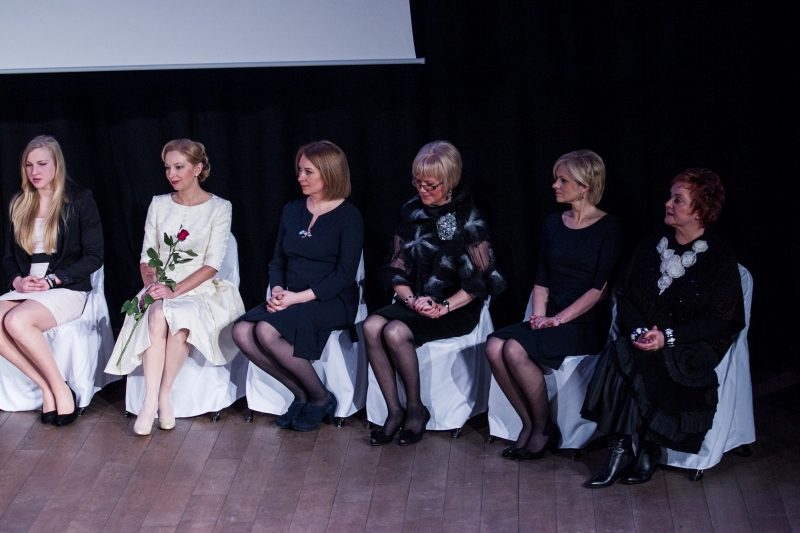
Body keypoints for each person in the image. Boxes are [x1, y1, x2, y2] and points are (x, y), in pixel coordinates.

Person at [580, 168, 745, 488]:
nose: (668, 203)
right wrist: (640, 332)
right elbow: (626, 296)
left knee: (657, 361)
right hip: (646, 334)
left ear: (700, 212)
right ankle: (619, 450)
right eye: (671, 197)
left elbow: (719, 318)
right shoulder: (650, 245)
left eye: (678, 200)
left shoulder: (720, 257)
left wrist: (667, 337)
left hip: (693, 342)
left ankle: (649, 448)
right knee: (621, 352)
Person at [364, 140, 505, 446]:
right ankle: (394, 411)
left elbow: (480, 281)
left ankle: (416, 410)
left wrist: (443, 306)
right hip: (416, 301)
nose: (422, 190)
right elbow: (396, 268)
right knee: (372, 325)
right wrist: (411, 299)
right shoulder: (411, 211)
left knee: (395, 332)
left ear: (449, 181)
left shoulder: (469, 217)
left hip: (457, 306)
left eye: (430, 185)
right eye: (418, 182)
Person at [486, 150, 621, 460]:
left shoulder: (608, 227)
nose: (555, 185)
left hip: (584, 323)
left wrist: (557, 320)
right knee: (494, 346)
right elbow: (542, 277)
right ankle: (530, 422)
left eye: (563, 180)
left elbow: (598, 291)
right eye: (556, 179)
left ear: (585, 186)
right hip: (550, 316)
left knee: (513, 349)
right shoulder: (553, 222)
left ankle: (543, 428)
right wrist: (538, 316)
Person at [105, 139, 244, 436]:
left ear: (198, 168)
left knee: (179, 317)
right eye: (168, 168)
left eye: (179, 167)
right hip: (160, 286)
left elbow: (212, 264)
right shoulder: (159, 204)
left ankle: (164, 395)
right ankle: (149, 402)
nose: (171, 174)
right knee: (157, 315)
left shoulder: (220, 207)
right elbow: (148, 257)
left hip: (199, 289)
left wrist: (175, 291)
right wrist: (153, 287)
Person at [233, 141, 363, 432]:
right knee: (241, 331)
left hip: (331, 299)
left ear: (329, 174)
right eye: (300, 170)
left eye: (308, 172)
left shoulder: (349, 216)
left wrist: (296, 298)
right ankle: (301, 393)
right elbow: (277, 260)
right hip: (289, 295)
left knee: (265, 331)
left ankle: (320, 397)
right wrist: (279, 290)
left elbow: (344, 275)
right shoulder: (292, 210)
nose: (300, 177)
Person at [0, 135, 103, 427]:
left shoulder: (79, 199)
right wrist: (18, 282)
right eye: (29, 165)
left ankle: (58, 389)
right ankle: (50, 387)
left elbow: (94, 257)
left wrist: (54, 280)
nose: (35, 171)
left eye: (42, 164)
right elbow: (8, 258)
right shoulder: (19, 202)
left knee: (16, 321)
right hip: (28, 289)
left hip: (65, 288)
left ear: (57, 164)